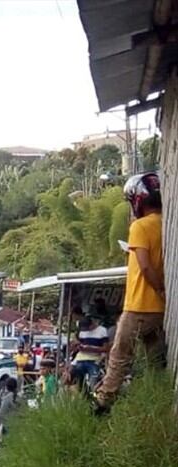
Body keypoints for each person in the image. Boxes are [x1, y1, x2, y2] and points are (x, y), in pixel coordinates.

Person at [95, 172, 165, 414]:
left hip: (139, 305)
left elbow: (144, 266)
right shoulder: (166, 223)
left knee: (119, 355)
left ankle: (103, 402)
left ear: (138, 200)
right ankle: (158, 398)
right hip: (159, 309)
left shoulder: (140, 226)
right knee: (156, 359)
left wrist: (158, 288)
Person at [69, 317, 110, 389]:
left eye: (86, 329)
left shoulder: (102, 331)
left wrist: (91, 348)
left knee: (93, 382)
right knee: (76, 377)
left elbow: (106, 348)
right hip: (81, 358)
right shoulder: (81, 332)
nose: (85, 331)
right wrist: (77, 345)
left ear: (91, 325)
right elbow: (77, 345)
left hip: (95, 359)